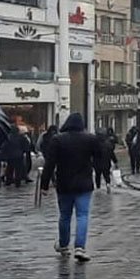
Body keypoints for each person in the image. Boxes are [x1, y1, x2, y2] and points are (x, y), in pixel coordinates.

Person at [41, 112, 104, 262]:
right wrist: (96, 172)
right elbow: (100, 157)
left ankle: (63, 245)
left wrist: (44, 184)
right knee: (82, 215)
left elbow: (49, 164)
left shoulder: (58, 140)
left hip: (64, 183)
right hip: (84, 184)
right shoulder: (90, 139)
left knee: (65, 216)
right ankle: (80, 247)